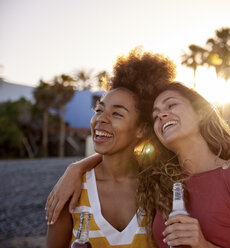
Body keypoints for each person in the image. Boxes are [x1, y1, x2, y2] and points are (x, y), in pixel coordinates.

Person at [46, 84, 230, 246]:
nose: (161, 115)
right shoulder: (161, 183)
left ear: (202, 113)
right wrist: (75, 169)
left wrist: (202, 245)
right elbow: (118, 159)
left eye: (171, 106)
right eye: (156, 114)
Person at [45, 49, 177, 247]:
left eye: (117, 114)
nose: (100, 119)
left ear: (141, 128)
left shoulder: (161, 188)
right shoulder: (72, 191)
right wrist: (76, 169)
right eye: (99, 109)